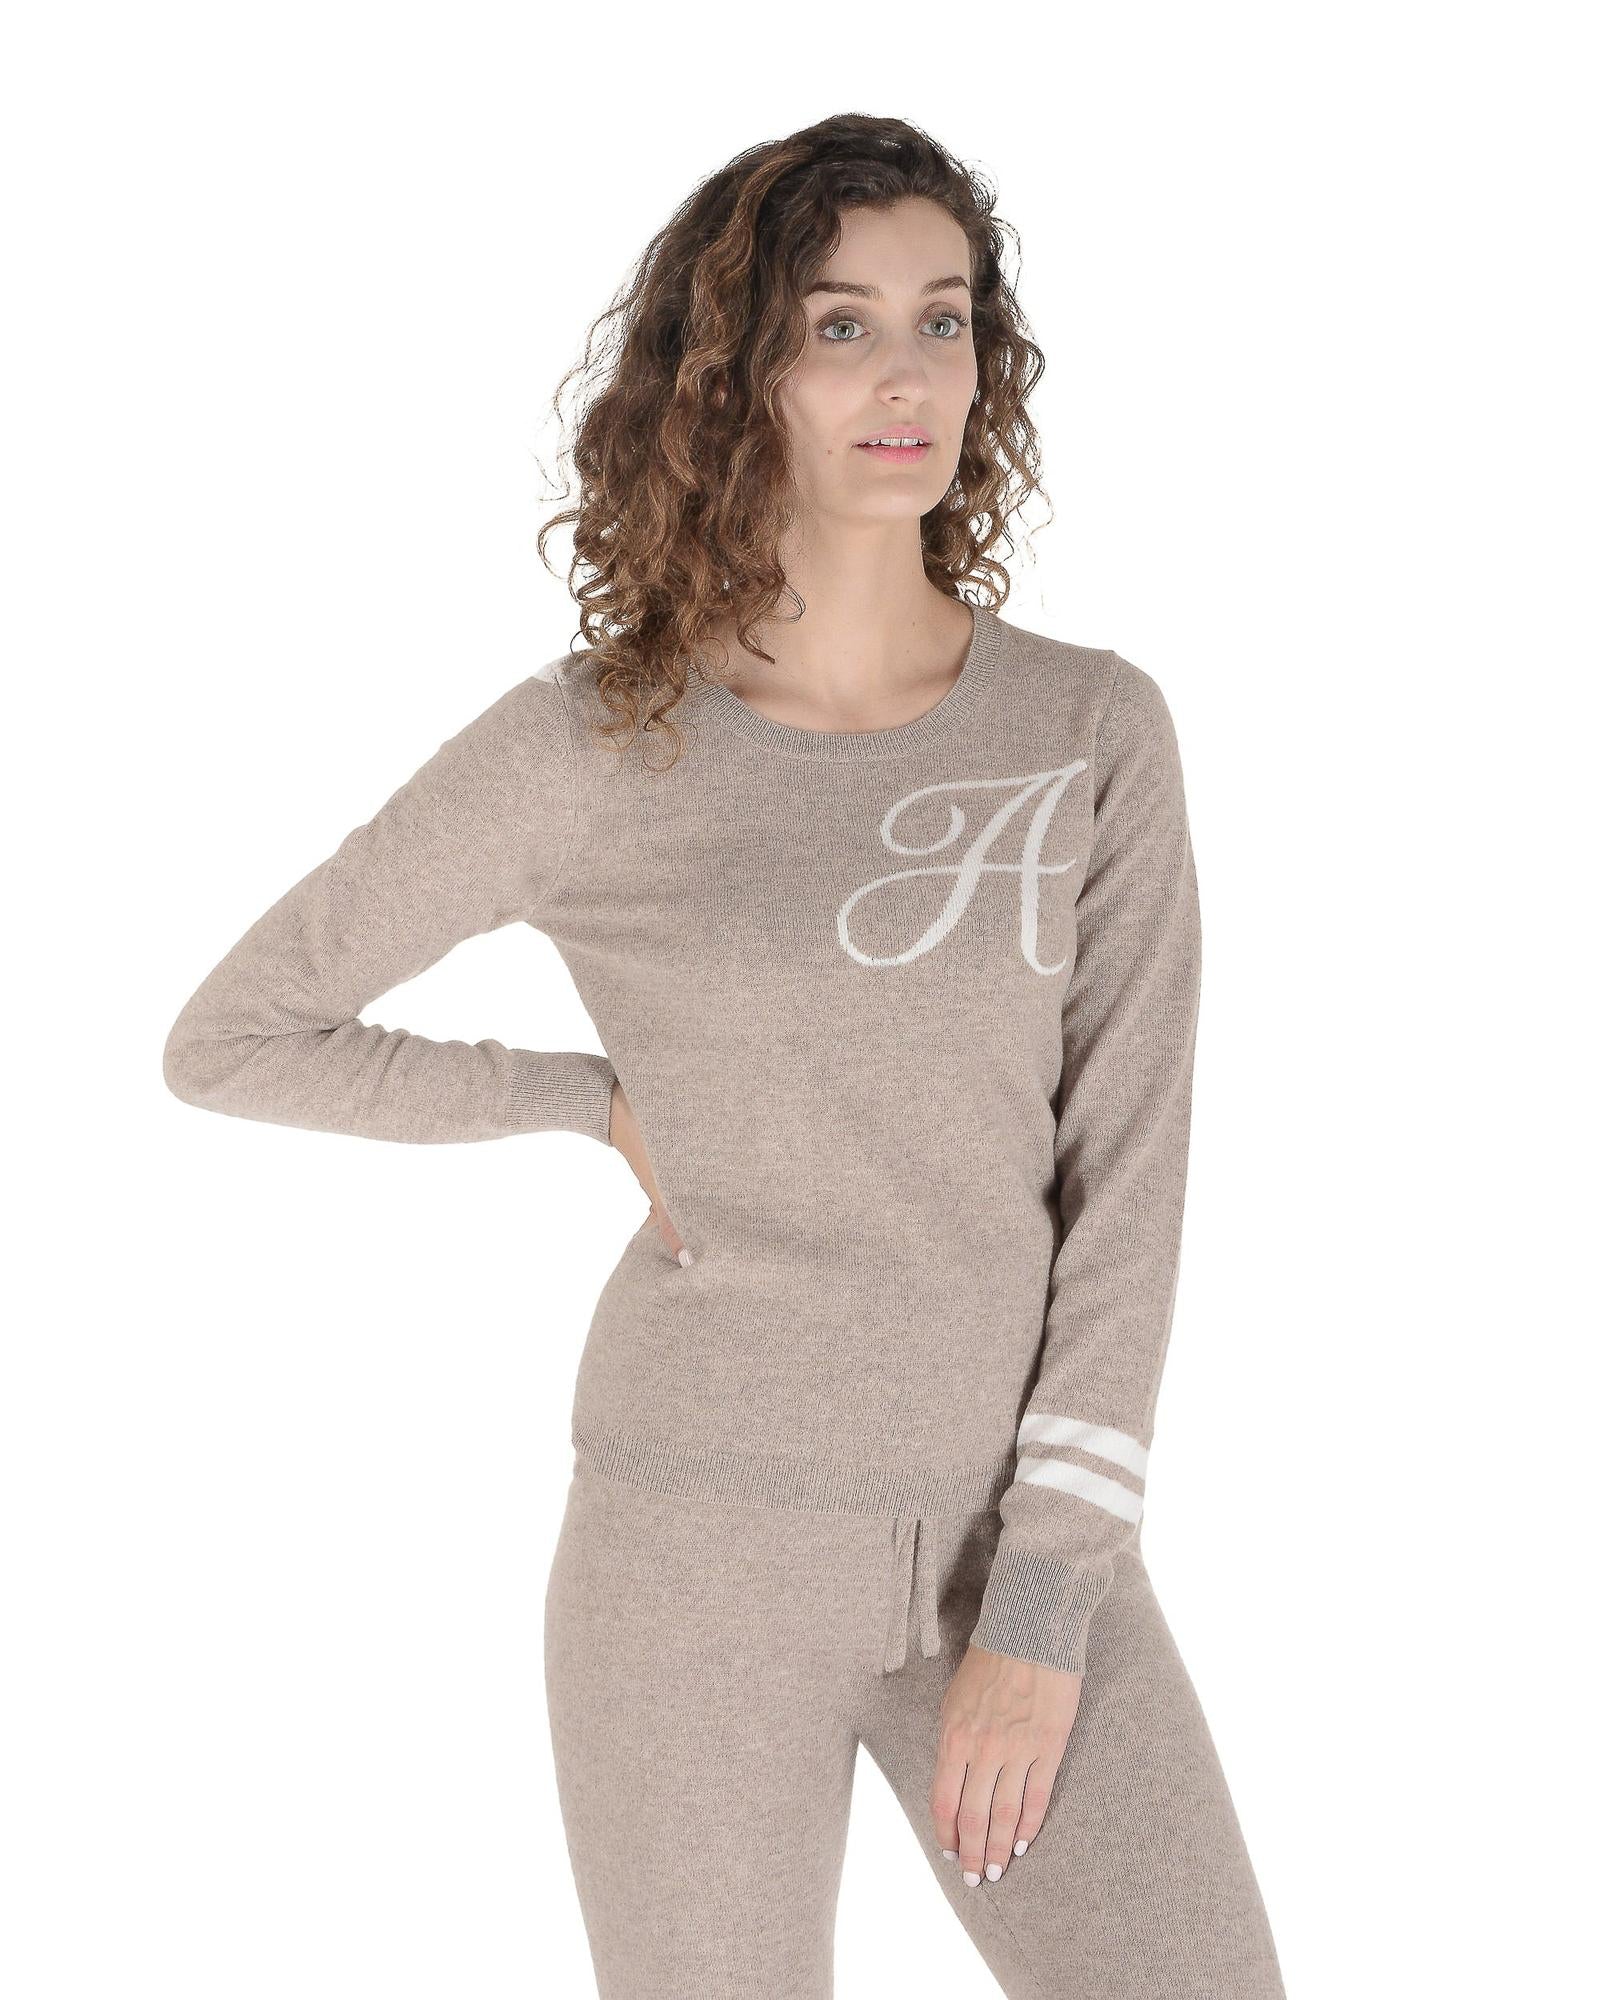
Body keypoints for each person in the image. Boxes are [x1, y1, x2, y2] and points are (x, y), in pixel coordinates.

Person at [163, 112, 1288, 1999]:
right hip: (687, 1554)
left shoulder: (1090, 728)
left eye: (943, 320)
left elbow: (1130, 1181)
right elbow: (235, 1036)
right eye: (840, 326)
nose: (905, 375)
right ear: (734, 373)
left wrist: (1042, 1602)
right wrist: (584, 1104)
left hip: (1007, 1557)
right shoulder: (596, 744)